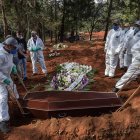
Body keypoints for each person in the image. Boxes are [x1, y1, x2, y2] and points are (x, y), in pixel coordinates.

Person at [113, 20, 140, 92]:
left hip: (134, 55)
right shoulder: (131, 32)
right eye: (137, 26)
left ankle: (136, 78)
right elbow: (134, 48)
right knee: (130, 71)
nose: (137, 27)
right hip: (137, 57)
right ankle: (118, 86)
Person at [0, 37, 19, 133]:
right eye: (14, 47)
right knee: (3, 98)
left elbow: (10, 63)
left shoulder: (9, 52)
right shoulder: (1, 55)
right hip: (0, 79)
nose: (15, 49)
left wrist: (14, 67)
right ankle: (3, 121)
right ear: (8, 46)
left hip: (7, 76)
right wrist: (4, 79)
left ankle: (19, 107)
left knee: (14, 90)